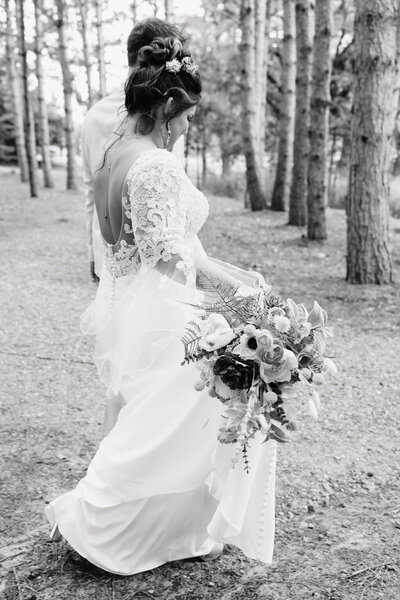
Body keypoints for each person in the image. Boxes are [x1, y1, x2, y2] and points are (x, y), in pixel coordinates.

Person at [47, 30, 277, 576]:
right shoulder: (156, 165)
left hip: (133, 304)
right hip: (163, 310)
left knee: (159, 421)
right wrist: (236, 292)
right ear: (169, 106)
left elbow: (141, 242)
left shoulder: (112, 152)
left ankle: (171, 525)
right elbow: (171, 258)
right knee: (169, 424)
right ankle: (107, 524)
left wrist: (235, 273)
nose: (190, 125)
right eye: (189, 114)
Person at [81, 18, 186, 435]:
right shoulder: (164, 110)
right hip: (154, 266)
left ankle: (120, 460)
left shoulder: (94, 118)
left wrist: (94, 254)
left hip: (112, 257)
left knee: (126, 370)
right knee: (148, 374)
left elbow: (91, 190)